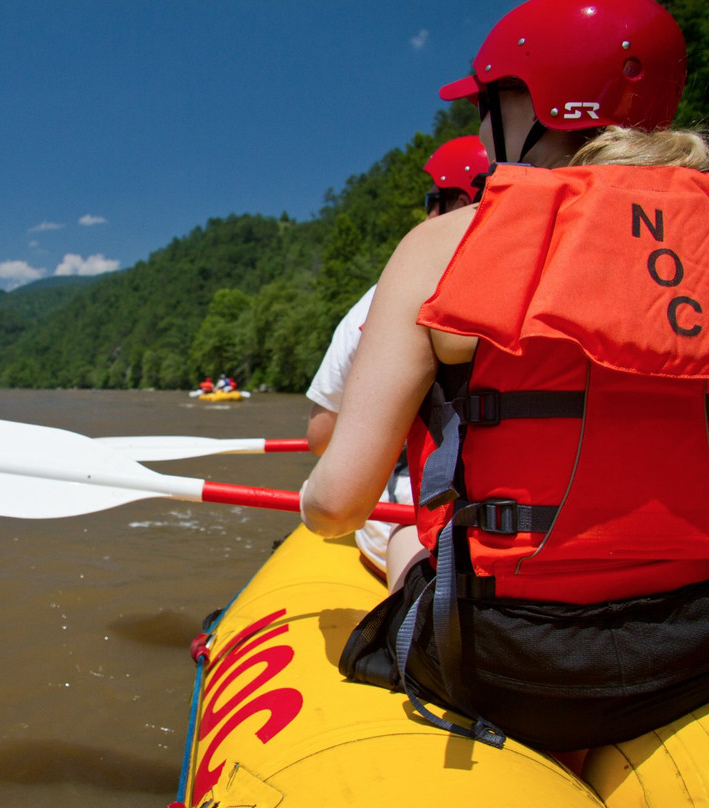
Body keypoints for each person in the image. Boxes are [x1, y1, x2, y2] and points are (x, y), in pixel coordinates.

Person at [301, 0, 708, 753]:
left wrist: (315, 504)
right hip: (694, 647)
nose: (485, 133)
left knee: (396, 545)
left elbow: (335, 505)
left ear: (538, 103)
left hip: (508, 662)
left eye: (492, 104)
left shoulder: (444, 245)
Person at [306, 136, 489, 589]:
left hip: (423, 517)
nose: (427, 215)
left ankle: (411, 635)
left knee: (409, 529)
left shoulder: (390, 293)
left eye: (433, 200)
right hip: (553, 521)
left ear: (459, 202)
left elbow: (321, 437)